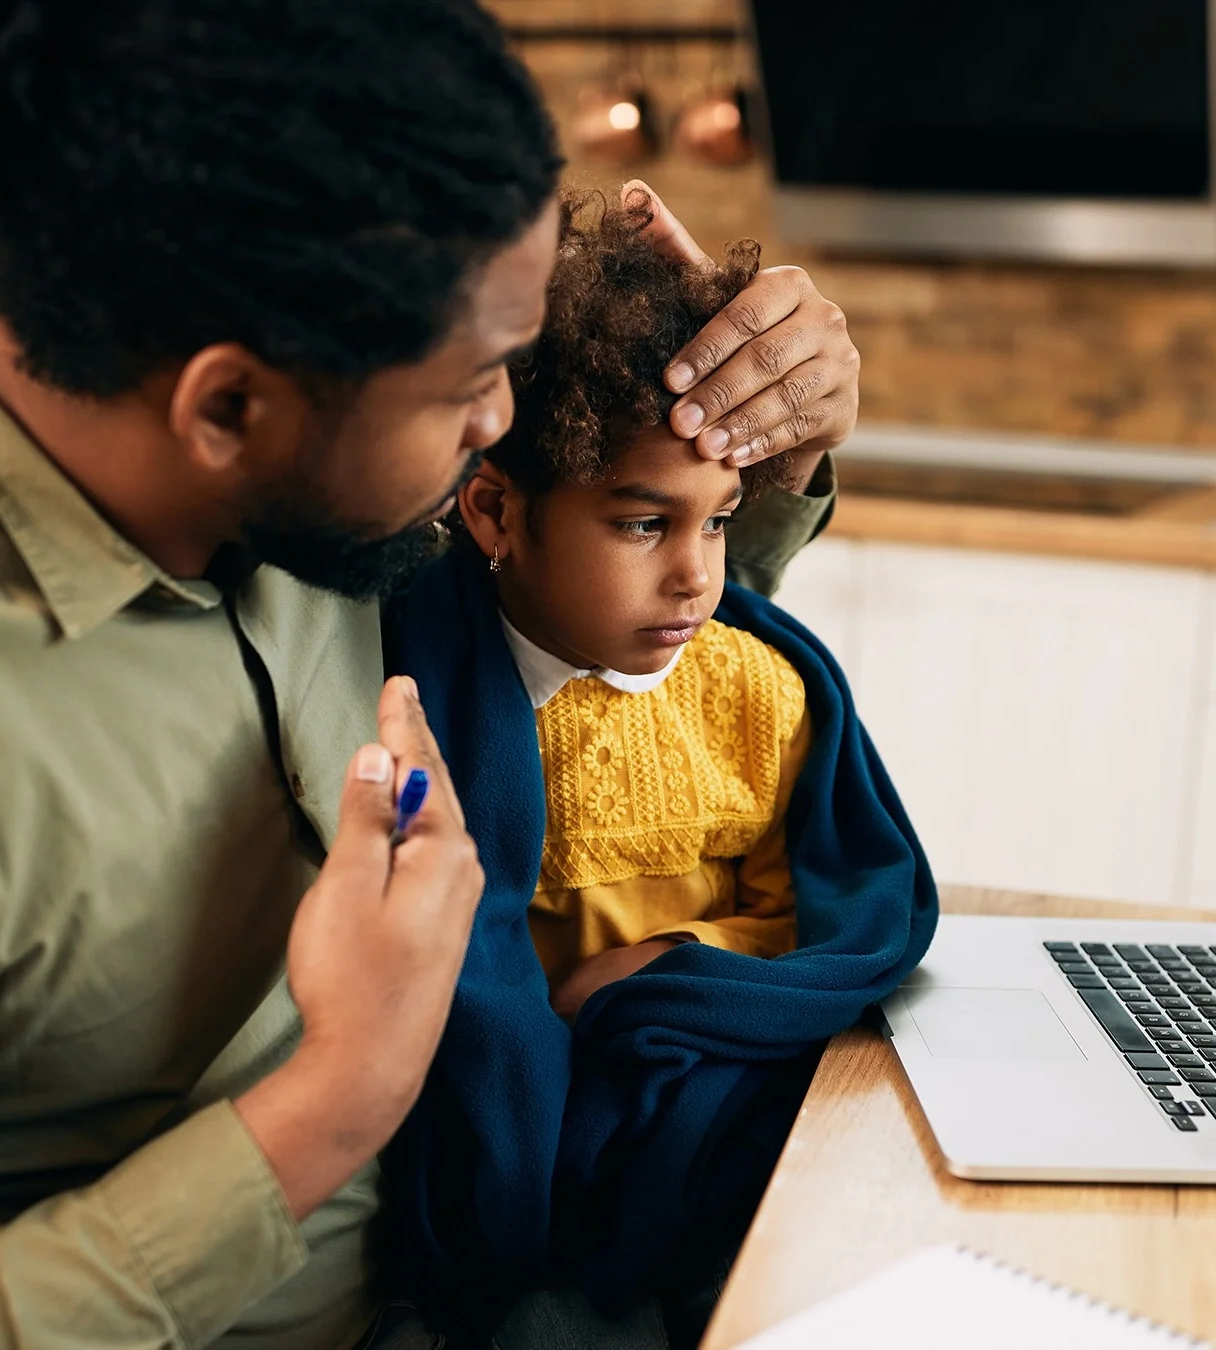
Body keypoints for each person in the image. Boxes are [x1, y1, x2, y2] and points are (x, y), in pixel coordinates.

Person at [0, 3, 864, 1346]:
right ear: (225, 408)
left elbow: (597, 625)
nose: (502, 425)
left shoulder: (318, 474)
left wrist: (764, 437)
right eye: (476, 385)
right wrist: (333, 1100)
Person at [378, 199, 937, 1346]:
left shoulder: (750, 693)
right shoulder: (412, 696)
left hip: (702, 1126)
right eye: (643, 527)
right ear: (493, 511)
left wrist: (672, 969)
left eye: (722, 522)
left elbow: (820, 913)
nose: (698, 578)